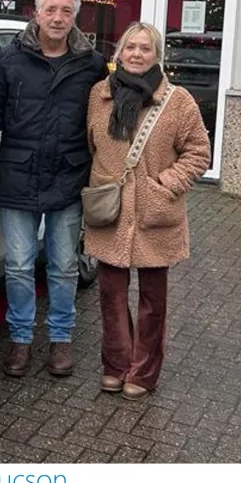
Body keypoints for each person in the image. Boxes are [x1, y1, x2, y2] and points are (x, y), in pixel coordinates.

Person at [0, 0, 109, 378]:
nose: (58, 18)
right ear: (37, 13)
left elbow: (105, 117)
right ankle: (21, 339)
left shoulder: (91, 64)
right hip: (18, 173)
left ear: (74, 16)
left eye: (66, 11)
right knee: (18, 265)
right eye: (51, 10)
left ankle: (61, 339)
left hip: (68, 175)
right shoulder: (10, 58)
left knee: (63, 266)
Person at [83, 21, 211, 400]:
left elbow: (198, 152)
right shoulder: (99, 95)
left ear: (157, 55)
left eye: (145, 48)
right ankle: (116, 365)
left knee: (153, 302)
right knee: (110, 295)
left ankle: (144, 372)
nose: (137, 54)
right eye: (130, 47)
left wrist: (164, 186)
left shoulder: (177, 101)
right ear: (119, 52)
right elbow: (91, 144)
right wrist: (103, 180)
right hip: (112, 211)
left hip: (155, 213)